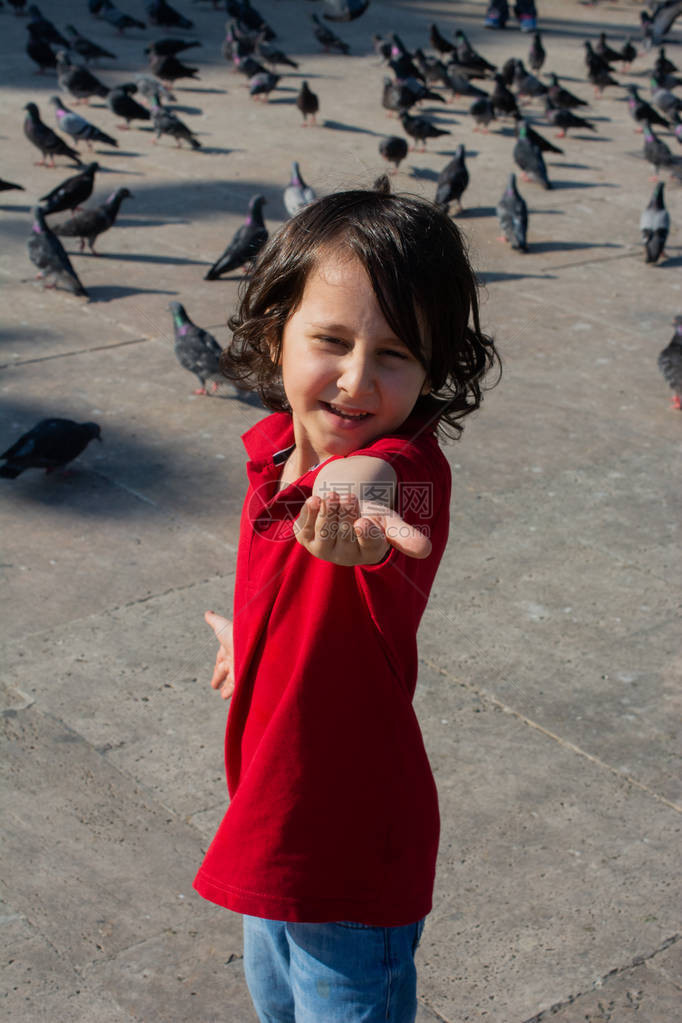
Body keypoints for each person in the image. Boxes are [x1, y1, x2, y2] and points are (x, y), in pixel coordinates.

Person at [194, 178, 500, 1023]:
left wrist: (354, 494)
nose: (357, 381)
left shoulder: (407, 474)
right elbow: (291, 595)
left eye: (396, 355)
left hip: (353, 854)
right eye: (330, 339)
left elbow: (372, 483)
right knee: (275, 1005)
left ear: (437, 369)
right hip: (269, 820)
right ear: (275, 334)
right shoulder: (269, 455)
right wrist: (249, 638)